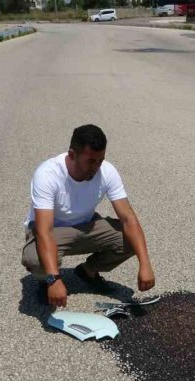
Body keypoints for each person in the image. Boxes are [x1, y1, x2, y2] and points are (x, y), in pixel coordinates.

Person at [21, 125, 156, 307]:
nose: (96, 167)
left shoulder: (106, 171)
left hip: (87, 226)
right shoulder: (47, 174)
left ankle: (88, 271)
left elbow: (128, 219)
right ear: (72, 155)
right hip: (54, 231)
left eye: (100, 160)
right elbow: (44, 231)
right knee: (34, 259)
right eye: (90, 161)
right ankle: (45, 281)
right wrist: (53, 279)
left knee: (131, 239)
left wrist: (145, 263)